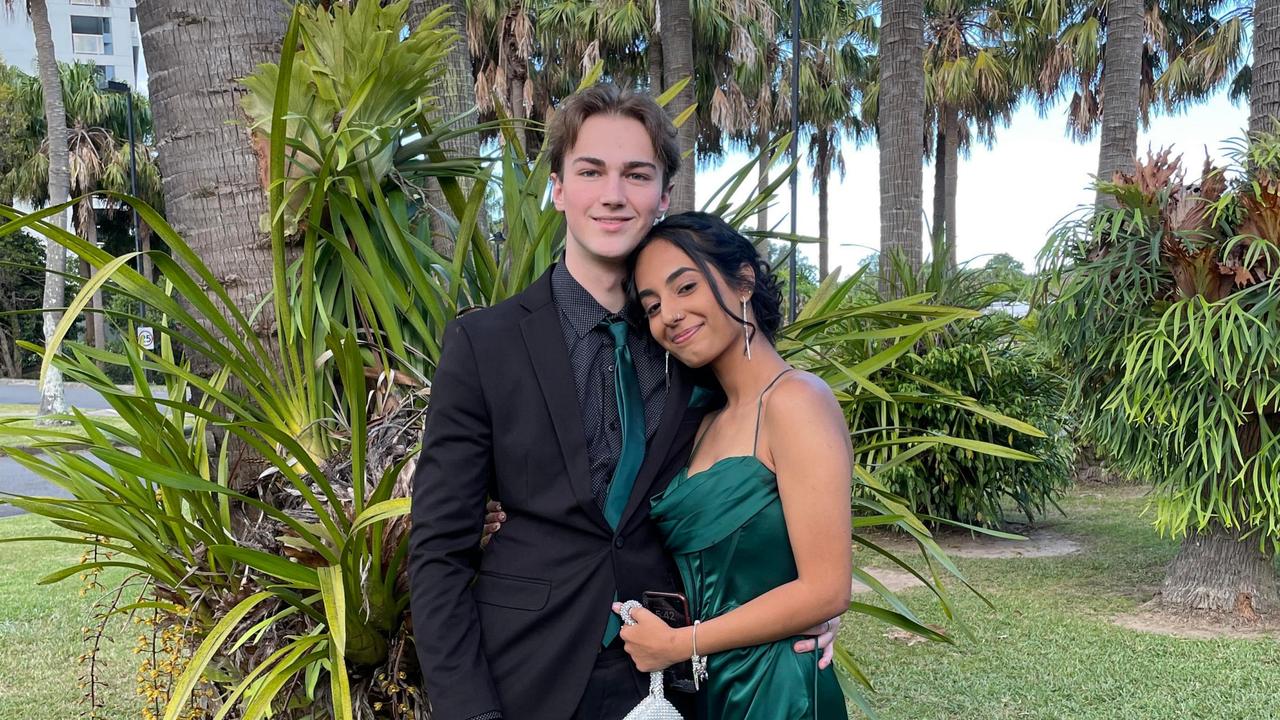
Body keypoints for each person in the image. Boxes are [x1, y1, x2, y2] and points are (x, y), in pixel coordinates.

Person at [408, 84, 838, 720]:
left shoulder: (694, 342)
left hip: (681, 678)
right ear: (558, 188)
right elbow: (438, 550)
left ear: (663, 196)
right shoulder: (484, 343)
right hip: (526, 674)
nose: (613, 194)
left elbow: (767, 487)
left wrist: (812, 608)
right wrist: (469, 711)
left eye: (637, 175)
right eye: (591, 171)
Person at [617, 211, 853, 719]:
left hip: (776, 689)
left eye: (685, 288)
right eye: (653, 305)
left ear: (743, 281)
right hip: (708, 686)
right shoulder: (700, 420)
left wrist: (682, 644)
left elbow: (827, 587)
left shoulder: (795, 401)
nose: (669, 315)